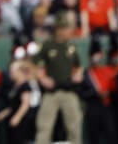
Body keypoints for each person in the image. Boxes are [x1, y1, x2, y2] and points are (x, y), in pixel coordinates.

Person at [34, 13, 83, 144]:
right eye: (66, 28)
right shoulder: (47, 45)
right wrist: (43, 78)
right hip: (52, 92)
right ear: (58, 29)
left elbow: (78, 66)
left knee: (74, 126)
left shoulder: (71, 46)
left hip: (69, 91)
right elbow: (35, 65)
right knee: (44, 126)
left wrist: (78, 75)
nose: (69, 31)